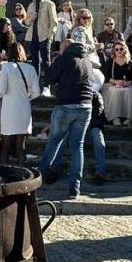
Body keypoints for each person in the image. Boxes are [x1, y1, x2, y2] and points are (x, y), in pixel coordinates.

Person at [38, 30, 95, 199]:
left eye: (62, 46)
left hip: (66, 105)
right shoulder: (87, 61)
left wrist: (56, 61)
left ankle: (39, 175)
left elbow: (48, 79)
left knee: (54, 142)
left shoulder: (64, 59)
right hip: (85, 106)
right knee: (78, 146)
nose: (60, 48)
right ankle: (74, 188)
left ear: (67, 47)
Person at [0, 42, 40, 165]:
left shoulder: (6, 67)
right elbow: (36, 93)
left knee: (5, 146)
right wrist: (25, 98)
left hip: (9, 110)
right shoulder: (31, 68)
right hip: (24, 109)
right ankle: (22, 177)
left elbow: (1, 91)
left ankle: (4, 175)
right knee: (21, 146)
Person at [23, 0, 58, 77]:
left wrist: (50, 36)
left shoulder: (49, 4)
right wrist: (31, 18)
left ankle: (47, 86)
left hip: (44, 37)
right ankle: (35, 85)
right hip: (32, 37)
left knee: (46, 62)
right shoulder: (31, 5)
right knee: (34, 62)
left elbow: (54, 22)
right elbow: (27, 23)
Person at [101, 40, 132, 125]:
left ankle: (129, 117)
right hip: (112, 84)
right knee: (114, 92)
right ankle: (115, 117)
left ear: (125, 50)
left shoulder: (130, 62)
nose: (119, 51)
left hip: (126, 85)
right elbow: (105, 76)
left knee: (130, 92)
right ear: (114, 51)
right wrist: (115, 82)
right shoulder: (110, 62)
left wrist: (126, 83)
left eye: (121, 49)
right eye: (116, 49)